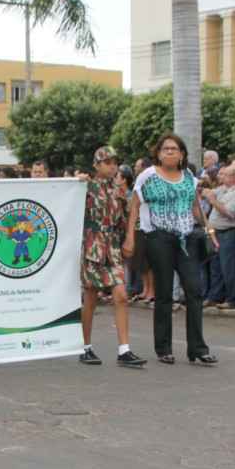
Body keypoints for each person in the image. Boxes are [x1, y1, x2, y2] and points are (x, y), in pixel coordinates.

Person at [125, 133, 218, 365]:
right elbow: (134, 206)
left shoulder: (188, 176)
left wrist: (210, 231)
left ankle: (198, 347)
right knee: (164, 291)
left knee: (194, 290)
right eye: (165, 149)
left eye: (174, 149)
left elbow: (195, 208)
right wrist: (130, 238)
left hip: (187, 237)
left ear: (182, 154)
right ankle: (164, 347)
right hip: (158, 237)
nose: (169, 152)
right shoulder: (148, 175)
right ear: (158, 153)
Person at [77, 146, 146, 368]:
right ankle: (85, 347)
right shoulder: (87, 187)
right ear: (97, 164)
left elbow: (126, 220)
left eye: (115, 163)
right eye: (107, 163)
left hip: (112, 246)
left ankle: (124, 350)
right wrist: (78, 180)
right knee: (91, 296)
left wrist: (129, 239)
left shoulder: (119, 192)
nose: (113, 167)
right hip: (92, 245)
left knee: (121, 295)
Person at [201, 166, 235, 309]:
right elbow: (208, 193)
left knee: (229, 267)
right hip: (216, 232)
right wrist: (204, 190)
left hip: (229, 233)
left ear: (234, 177)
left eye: (226, 175)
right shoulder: (223, 189)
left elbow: (229, 212)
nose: (222, 177)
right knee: (216, 267)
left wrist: (213, 201)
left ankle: (232, 298)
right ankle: (215, 296)